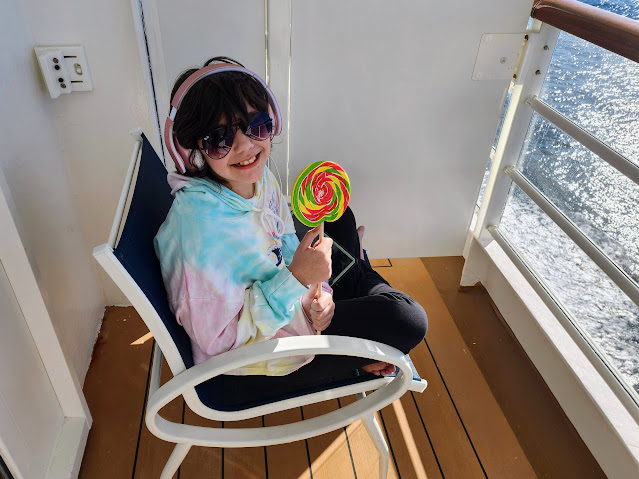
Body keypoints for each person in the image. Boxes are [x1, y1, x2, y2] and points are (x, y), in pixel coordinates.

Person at [154, 56, 428, 406]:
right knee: (408, 319)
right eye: (220, 138)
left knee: (340, 216)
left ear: (273, 121)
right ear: (191, 147)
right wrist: (297, 279)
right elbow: (222, 343)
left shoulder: (256, 179)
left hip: (296, 305)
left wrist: (319, 292)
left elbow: (283, 240)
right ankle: (361, 281)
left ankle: (357, 281)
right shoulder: (199, 236)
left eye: (256, 125)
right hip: (263, 359)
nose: (245, 147)